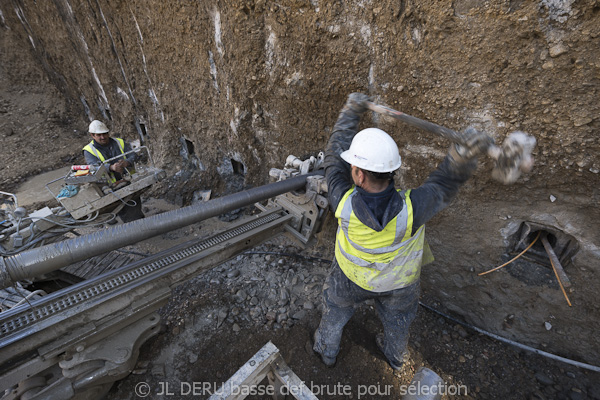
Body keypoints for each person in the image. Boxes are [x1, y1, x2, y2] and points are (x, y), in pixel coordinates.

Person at [312, 93, 491, 370]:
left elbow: (334, 157)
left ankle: (327, 350)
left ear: (357, 174)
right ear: (392, 170)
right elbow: (444, 184)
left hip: (350, 278)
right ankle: (395, 358)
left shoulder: (341, 199)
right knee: (398, 322)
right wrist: (461, 155)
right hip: (399, 284)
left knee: (335, 310)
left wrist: (350, 113)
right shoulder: (414, 208)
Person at [83, 120, 145, 222]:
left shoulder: (119, 142)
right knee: (122, 209)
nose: (103, 137)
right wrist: (111, 168)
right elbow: (94, 167)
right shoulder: (89, 151)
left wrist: (127, 162)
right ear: (92, 135)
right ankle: (135, 227)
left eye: (104, 134)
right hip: (111, 186)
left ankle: (138, 224)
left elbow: (133, 155)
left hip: (128, 180)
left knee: (134, 206)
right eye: (99, 135)